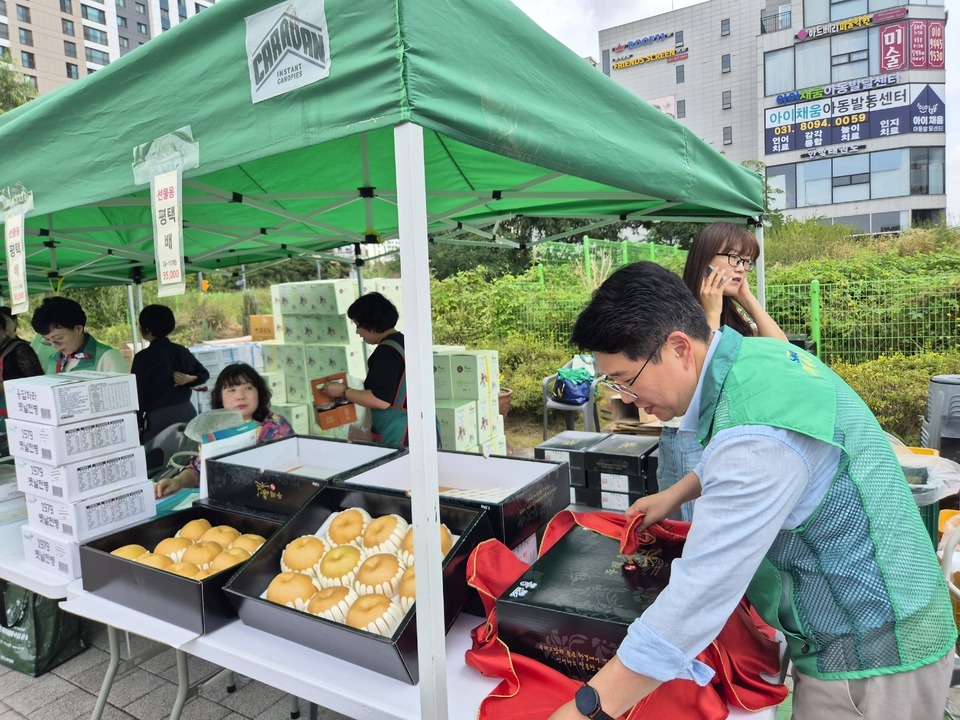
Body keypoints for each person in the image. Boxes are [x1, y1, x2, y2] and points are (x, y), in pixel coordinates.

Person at [550, 261, 955, 720]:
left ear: (678, 347)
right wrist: (676, 493)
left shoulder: (756, 439)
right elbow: (758, 456)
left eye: (626, 379)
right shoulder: (756, 359)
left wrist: (588, 709)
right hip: (887, 609)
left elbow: (700, 595)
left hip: (871, 655)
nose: (625, 397)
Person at [658, 222, 788, 520]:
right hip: (689, 437)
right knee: (694, 531)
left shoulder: (732, 314)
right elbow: (700, 379)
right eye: (733, 257)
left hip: (727, 435)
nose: (741, 268)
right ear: (705, 258)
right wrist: (711, 314)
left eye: (747, 261)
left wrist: (747, 299)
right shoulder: (675, 312)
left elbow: (781, 353)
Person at [155, 363, 293, 497]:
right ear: (220, 397)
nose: (240, 396)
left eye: (248, 388)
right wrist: (177, 481)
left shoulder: (275, 426)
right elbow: (199, 469)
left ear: (259, 393)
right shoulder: (216, 428)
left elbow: (287, 475)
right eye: (231, 390)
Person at [322, 292, 410, 446]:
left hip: (399, 431)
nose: (357, 332)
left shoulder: (386, 352)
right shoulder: (404, 342)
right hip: (418, 425)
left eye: (358, 325)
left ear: (371, 323)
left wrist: (343, 391)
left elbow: (381, 400)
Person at [131, 304, 209, 446]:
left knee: (160, 458)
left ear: (146, 329)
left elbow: (137, 396)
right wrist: (190, 379)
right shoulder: (181, 351)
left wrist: (137, 425)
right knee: (190, 454)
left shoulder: (142, 358)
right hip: (187, 411)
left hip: (160, 418)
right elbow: (204, 374)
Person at [30, 297, 127, 374]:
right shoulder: (55, 360)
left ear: (78, 329)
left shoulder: (107, 357)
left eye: (58, 338)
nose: (54, 345)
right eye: (47, 340)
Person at [0, 307, 45, 452]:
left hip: (20, 417)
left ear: (3, 329)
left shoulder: (20, 350)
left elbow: (39, 386)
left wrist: (5, 387)